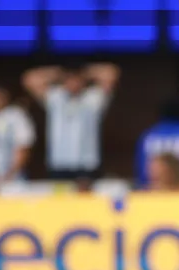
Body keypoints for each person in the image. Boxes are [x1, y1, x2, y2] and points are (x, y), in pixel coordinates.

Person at [22, 63, 119, 191]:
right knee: (61, 203)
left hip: (86, 164)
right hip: (59, 163)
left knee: (85, 202)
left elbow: (112, 73)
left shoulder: (93, 98)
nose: (73, 83)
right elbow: (29, 79)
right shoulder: (55, 97)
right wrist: (56, 73)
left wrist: (86, 72)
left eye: (76, 80)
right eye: (70, 80)